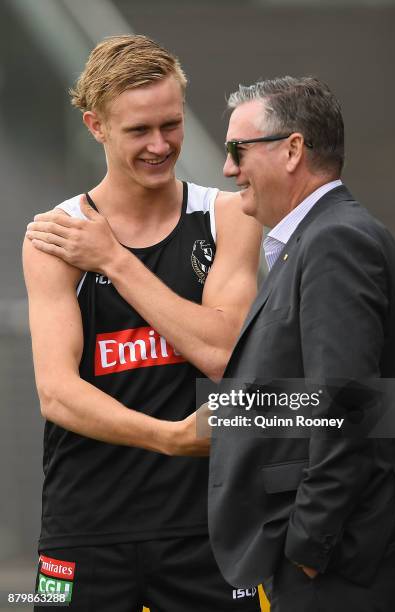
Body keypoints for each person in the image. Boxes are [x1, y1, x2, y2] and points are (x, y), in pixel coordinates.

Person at [23, 35, 262, 611]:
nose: (160, 145)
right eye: (138, 131)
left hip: (206, 530)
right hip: (85, 529)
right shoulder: (56, 234)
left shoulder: (228, 216)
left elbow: (223, 354)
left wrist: (113, 260)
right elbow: (57, 394)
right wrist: (171, 439)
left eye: (171, 125)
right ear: (95, 126)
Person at [206, 76, 395, 611]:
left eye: (237, 149)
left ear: (292, 150)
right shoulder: (318, 237)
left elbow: (345, 404)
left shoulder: (335, 239)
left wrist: (309, 545)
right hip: (340, 549)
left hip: (342, 556)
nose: (228, 168)